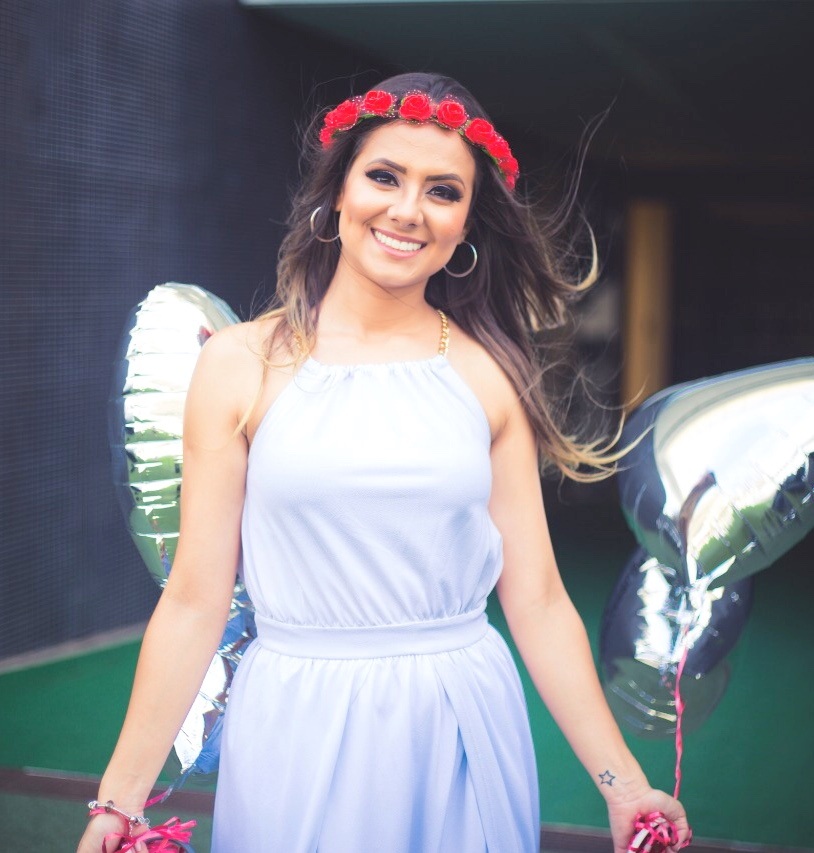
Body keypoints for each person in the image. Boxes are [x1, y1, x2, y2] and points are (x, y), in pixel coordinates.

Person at [78, 72, 690, 853]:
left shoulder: (489, 375)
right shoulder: (238, 364)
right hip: (292, 715)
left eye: (443, 191)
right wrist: (119, 802)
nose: (407, 210)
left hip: (458, 714)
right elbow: (196, 598)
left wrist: (625, 785)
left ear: (466, 223)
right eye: (384, 176)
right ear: (337, 192)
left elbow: (537, 598)